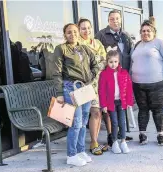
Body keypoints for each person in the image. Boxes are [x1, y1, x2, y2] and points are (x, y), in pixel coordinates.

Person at [52, 23, 99, 166]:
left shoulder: (84, 48)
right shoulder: (61, 49)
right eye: (68, 32)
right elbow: (56, 72)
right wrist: (60, 93)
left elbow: (95, 64)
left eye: (74, 31)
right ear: (64, 35)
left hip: (85, 88)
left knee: (84, 121)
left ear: (78, 32)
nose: (72, 34)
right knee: (76, 122)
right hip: (70, 88)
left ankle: (80, 151)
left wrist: (92, 79)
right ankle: (71, 155)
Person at [131, 17, 163, 146]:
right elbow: (132, 62)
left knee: (158, 110)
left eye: (148, 30)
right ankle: (142, 134)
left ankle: (160, 134)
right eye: (143, 31)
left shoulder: (160, 43)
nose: (145, 33)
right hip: (138, 84)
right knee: (142, 110)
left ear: (153, 32)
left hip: (157, 84)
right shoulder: (137, 45)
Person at [95, 9, 134, 146]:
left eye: (117, 18)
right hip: (109, 78)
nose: (115, 21)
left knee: (121, 110)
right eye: (112, 19)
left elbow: (129, 55)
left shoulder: (126, 36)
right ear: (108, 20)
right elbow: (97, 55)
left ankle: (121, 134)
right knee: (110, 111)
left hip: (122, 77)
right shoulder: (101, 35)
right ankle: (111, 136)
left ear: (121, 19)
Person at [78, 18, 107, 155]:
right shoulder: (77, 44)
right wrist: (97, 61)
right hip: (84, 84)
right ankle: (79, 146)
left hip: (98, 83)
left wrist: (96, 62)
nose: (86, 31)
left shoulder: (97, 43)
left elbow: (105, 60)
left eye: (88, 27)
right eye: (83, 28)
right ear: (79, 30)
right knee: (84, 114)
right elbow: (83, 64)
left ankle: (94, 141)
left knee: (97, 111)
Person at [98, 49, 133, 154]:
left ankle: (123, 142)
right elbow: (101, 91)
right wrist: (103, 104)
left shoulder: (124, 73)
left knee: (122, 122)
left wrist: (129, 102)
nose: (113, 64)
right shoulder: (104, 74)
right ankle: (114, 142)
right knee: (114, 122)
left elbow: (129, 88)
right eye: (111, 62)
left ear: (118, 62)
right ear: (107, 62)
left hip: (121, 102)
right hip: (111, 103)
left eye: (115, 62)